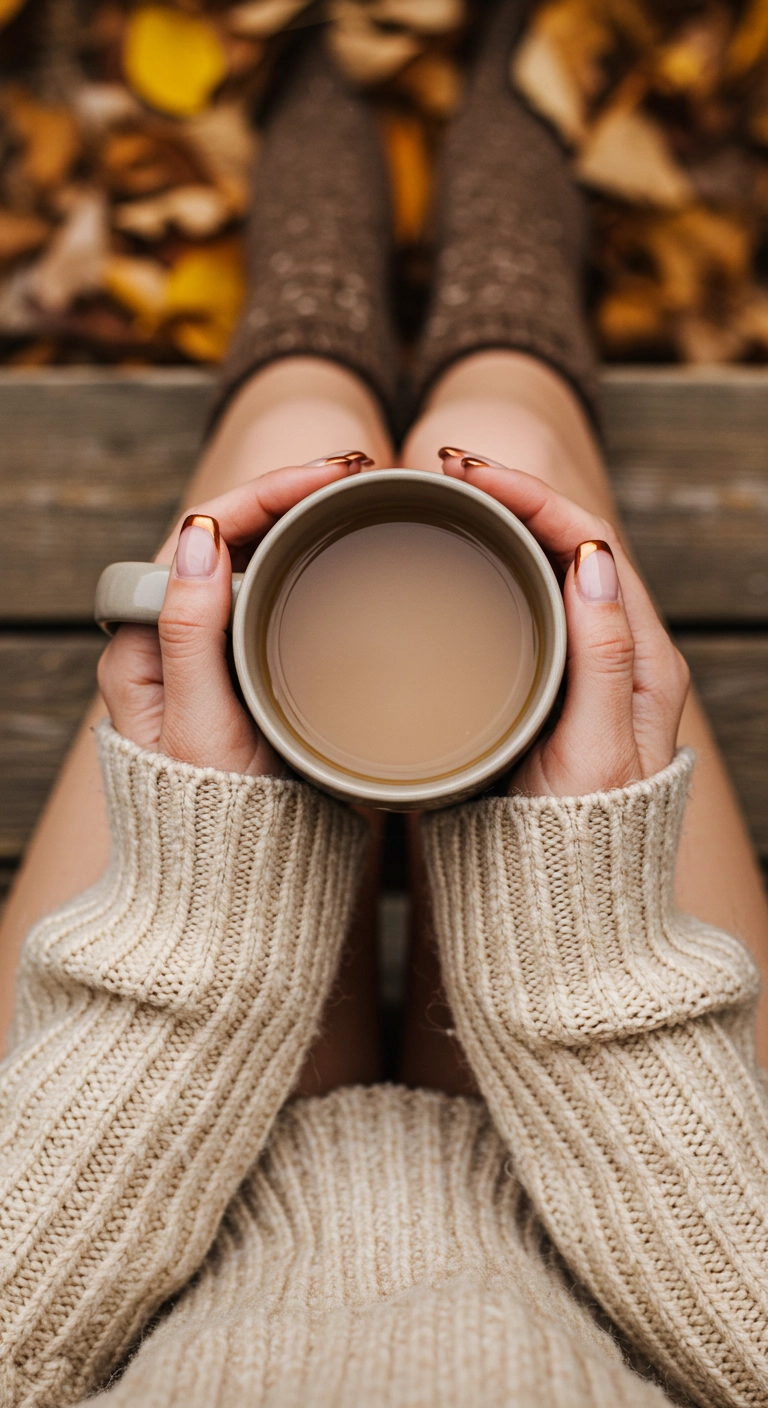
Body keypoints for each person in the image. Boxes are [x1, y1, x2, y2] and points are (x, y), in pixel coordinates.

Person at [1, 3, 767, 1404]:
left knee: (303, 443)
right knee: (520, 452)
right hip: (633, 1248)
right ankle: (507, 239)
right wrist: (576, 963)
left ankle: (323, 252)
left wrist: (208, 937)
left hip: (140, 1229)